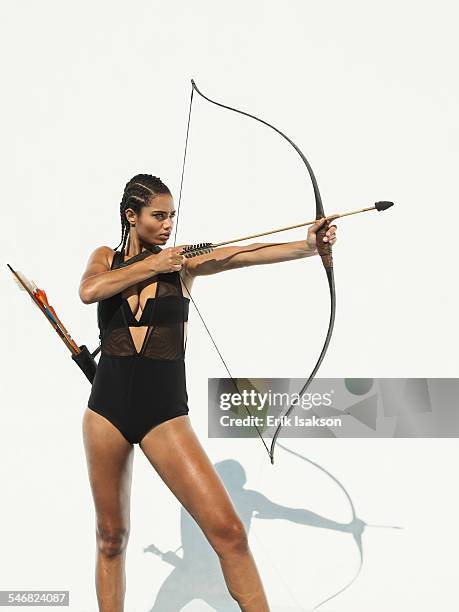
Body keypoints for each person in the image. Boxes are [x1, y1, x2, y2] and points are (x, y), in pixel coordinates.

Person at [78, 173, 337, 612]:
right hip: (105, 414)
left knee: (231, 535)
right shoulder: (105, 258)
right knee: (110, 539)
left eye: (172, 216)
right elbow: (89, 291)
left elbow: (241, 254)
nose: (167, 225)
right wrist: (152, 266)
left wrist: (308, 246)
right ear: (131, 216)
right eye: (158, 216)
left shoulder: (183, 263)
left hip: (163, 415)